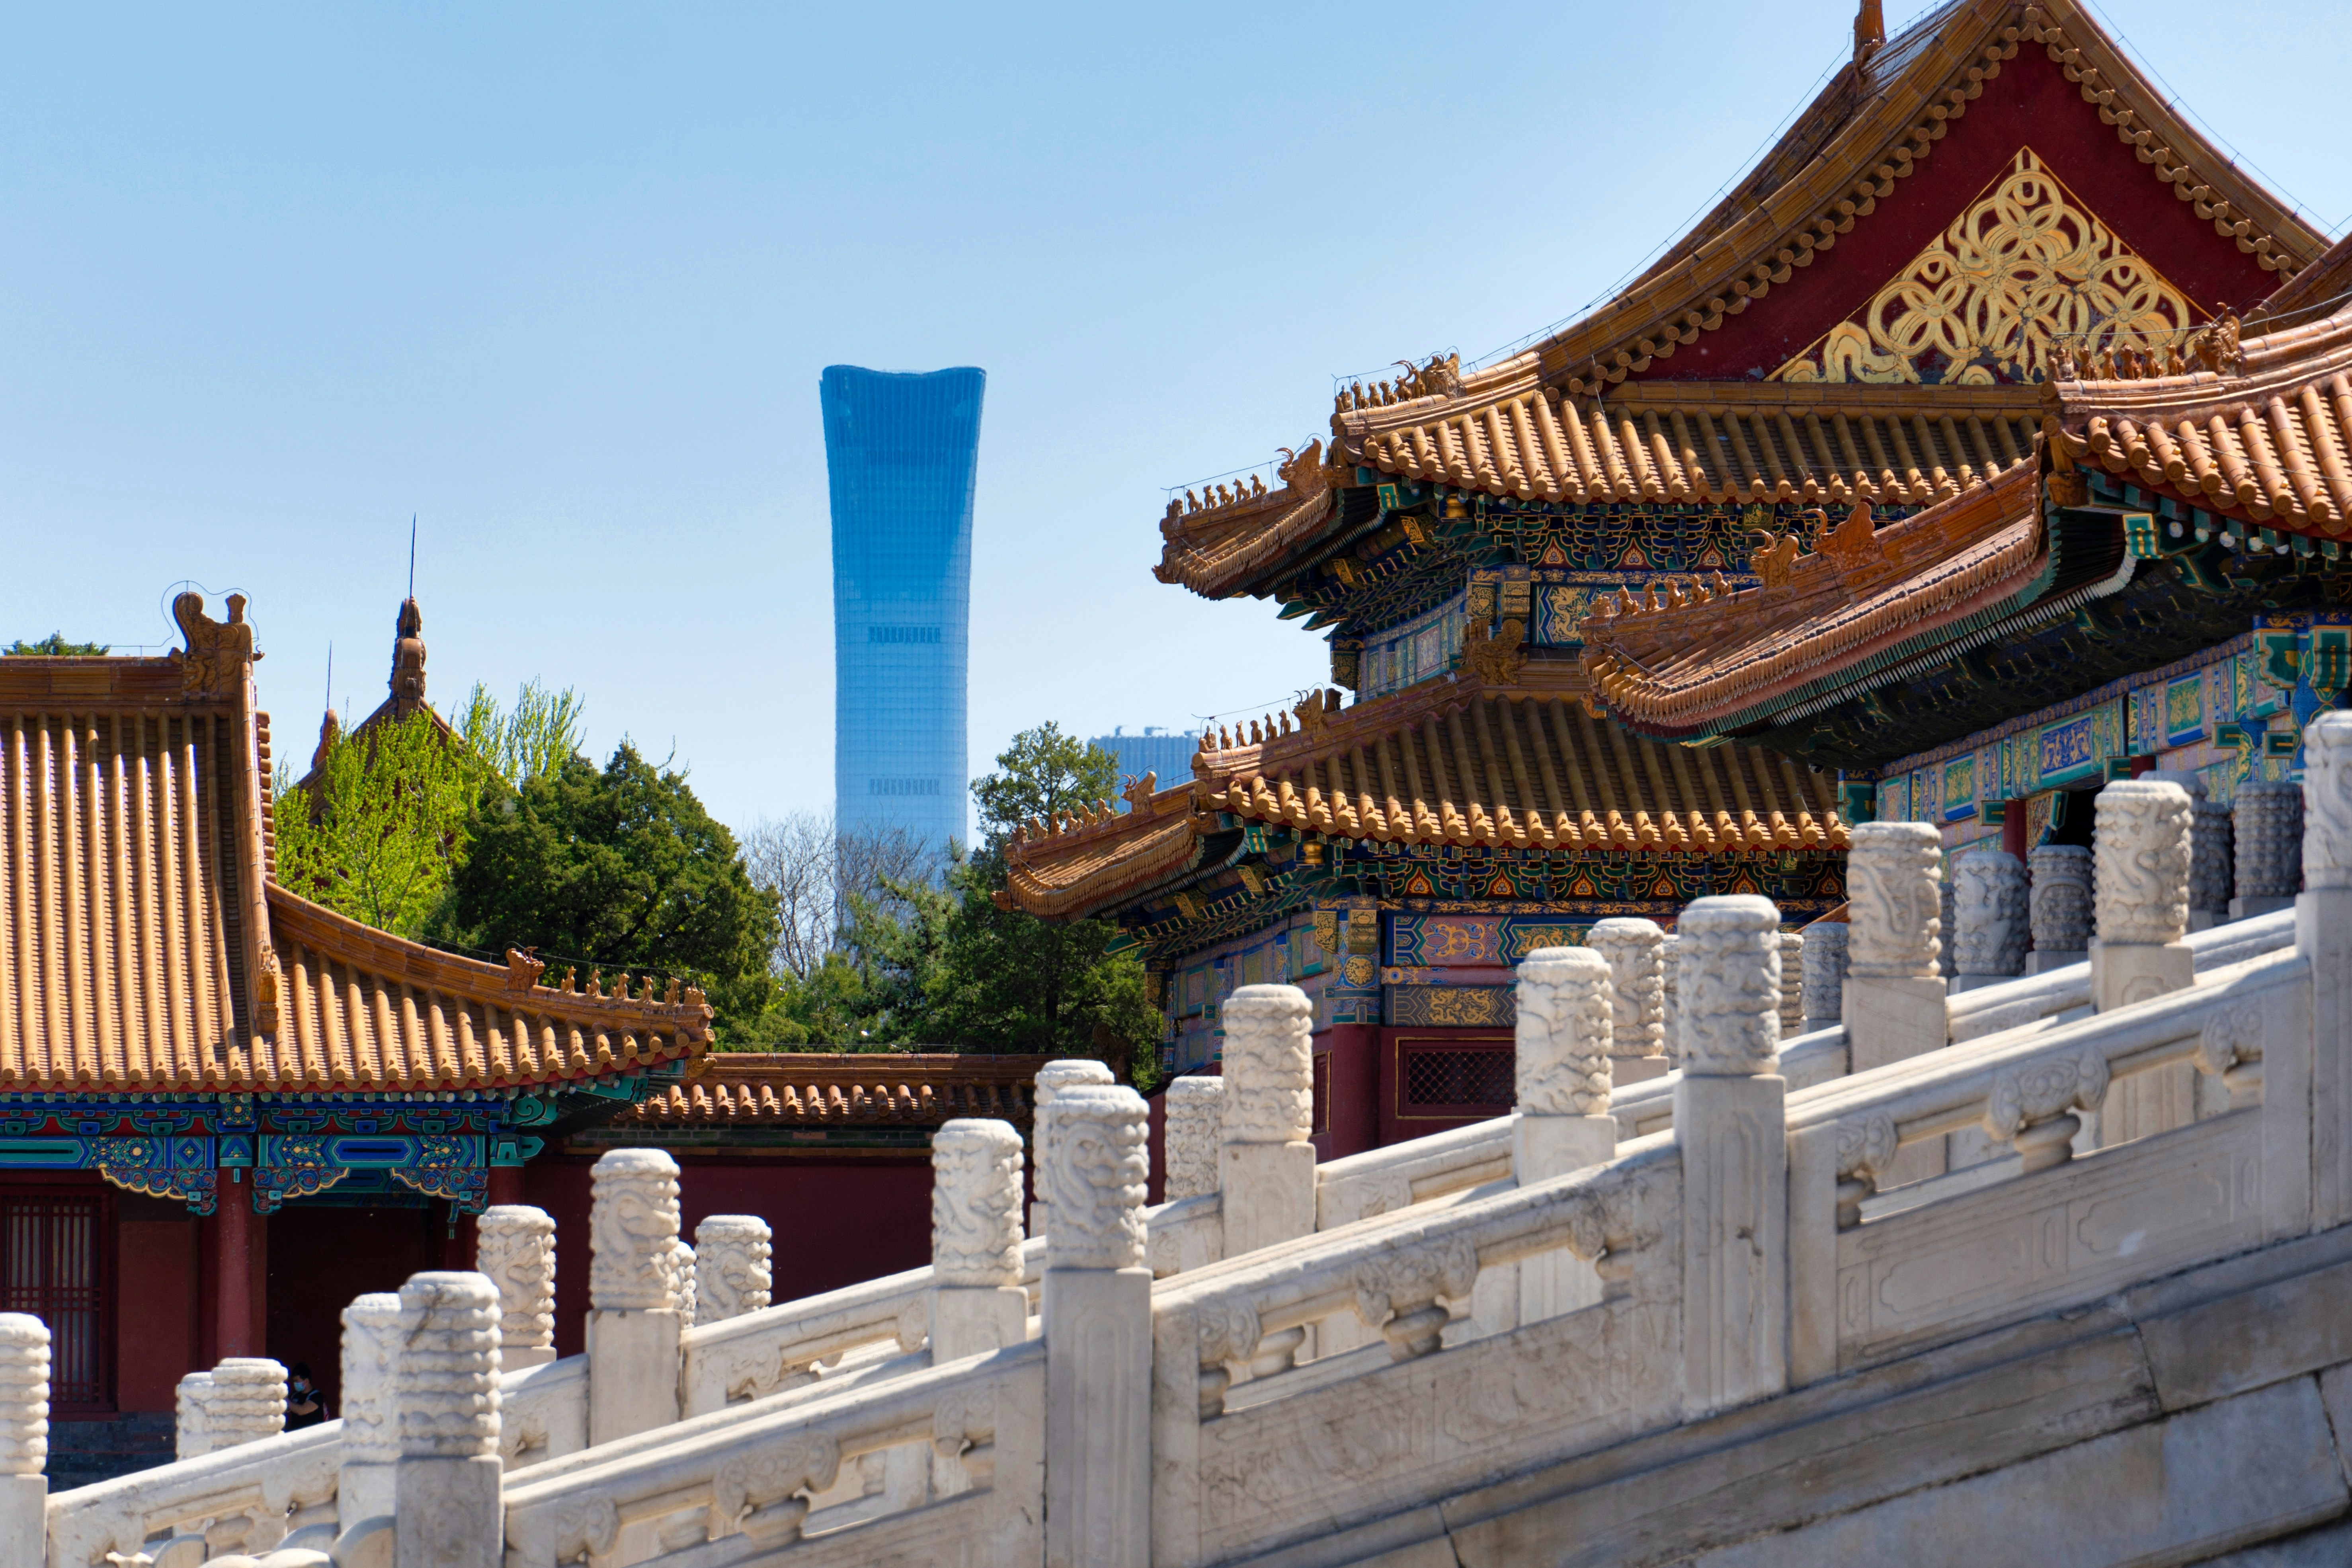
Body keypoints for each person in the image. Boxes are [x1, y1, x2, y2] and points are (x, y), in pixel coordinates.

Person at [285, 1363, 327, 1430]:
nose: (295, 1384)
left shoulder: (317, 1396)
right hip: (294, 1435)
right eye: (294, 1381)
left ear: (306, 1381)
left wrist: (287, 1402)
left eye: (297, 1381)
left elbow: (302, 1410)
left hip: (312, 1436)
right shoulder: (295, 1395)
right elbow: (286, 1409)